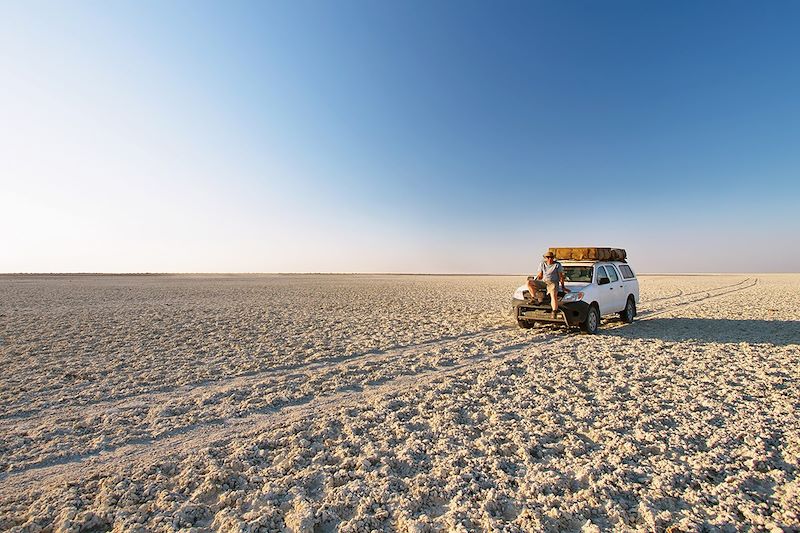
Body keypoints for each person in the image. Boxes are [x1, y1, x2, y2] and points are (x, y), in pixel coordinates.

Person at [527, 251, 569, 317]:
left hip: (553, 283)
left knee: (553, 295)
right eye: (548, 257)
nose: (550, 259)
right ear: (545, 258)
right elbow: (540, 275)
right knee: (529, 282)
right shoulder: (542, 264)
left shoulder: (557, 265)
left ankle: (554, 311)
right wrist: (536, 278)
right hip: (544, 282)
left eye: (551, 257)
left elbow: (561, 276)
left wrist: (563, 287)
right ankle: (533, 298)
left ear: (553, 258)